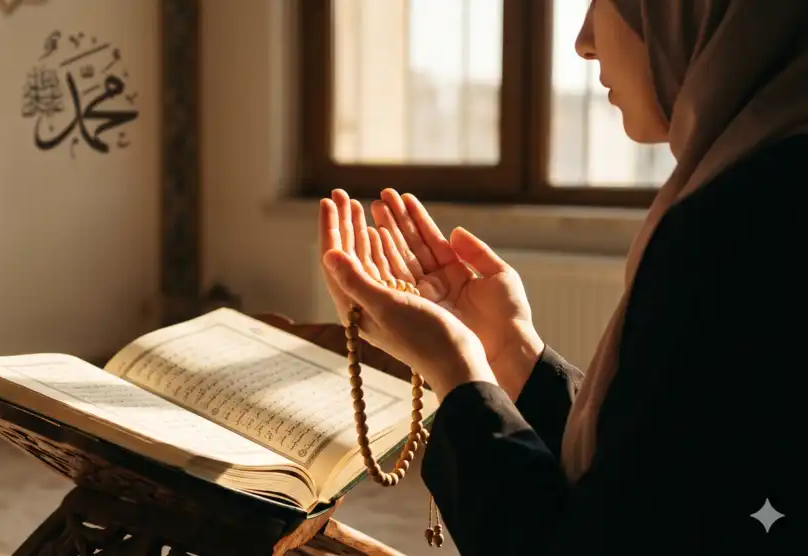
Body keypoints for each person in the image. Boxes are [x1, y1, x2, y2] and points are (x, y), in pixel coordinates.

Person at [318, 1, 805, 553]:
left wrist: (455, 374)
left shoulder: (742, 228)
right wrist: (512, 352)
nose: (583, 39)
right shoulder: (767, 185)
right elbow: (660, 482)